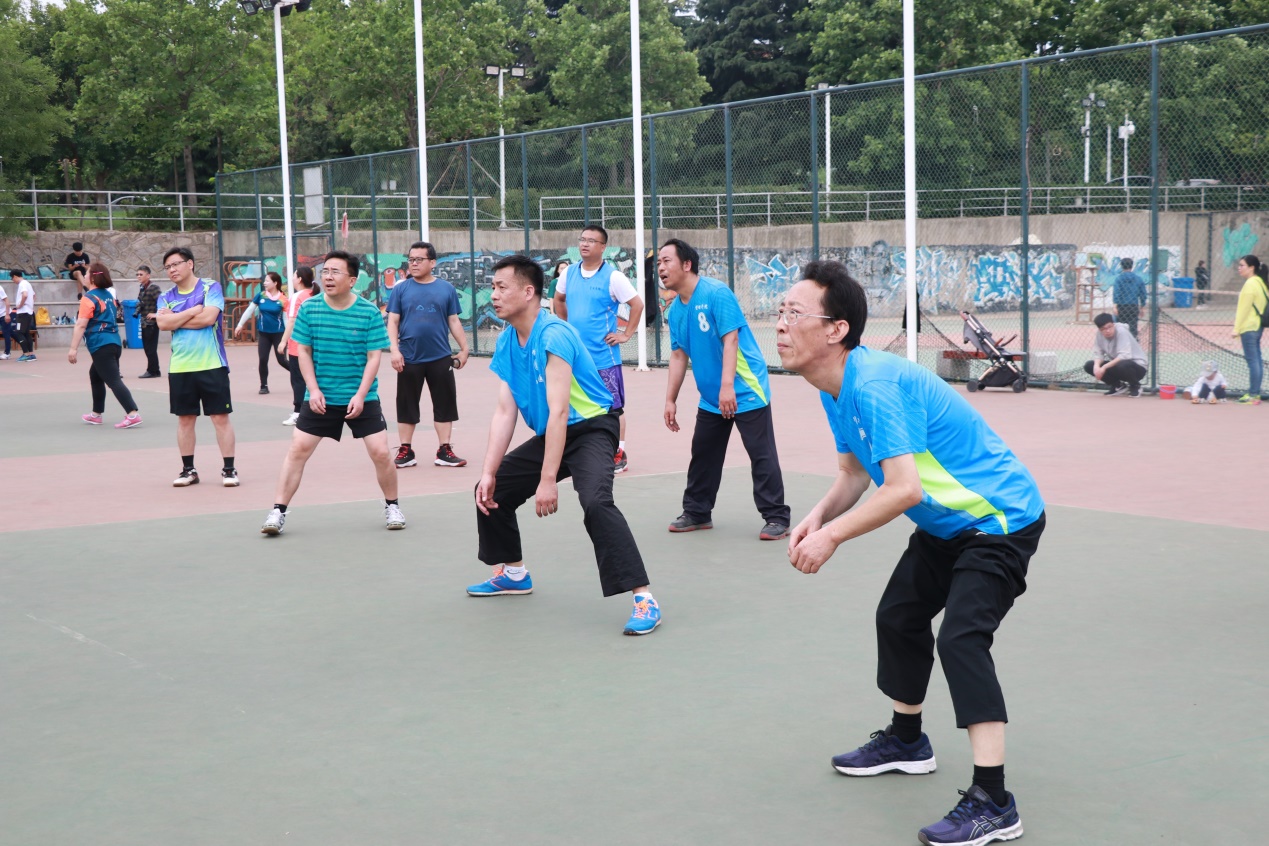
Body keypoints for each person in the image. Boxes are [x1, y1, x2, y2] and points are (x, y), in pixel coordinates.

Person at [775, 259, 1045, 846]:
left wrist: (832, 538)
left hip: (998, 520)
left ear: (836, 330)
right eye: (780, 311)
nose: (781, 324)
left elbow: (903, 490)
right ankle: (906, 740)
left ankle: (995, 802)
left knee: (962, 639)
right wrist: (819, 516)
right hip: (947, 526)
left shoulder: (874, 385)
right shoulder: (835, 386)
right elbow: (854, 472)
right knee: (898, 615)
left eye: (794, 313)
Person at [468, 255, 661, 636]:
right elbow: (505, 411)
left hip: (591, 429)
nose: (493, 295)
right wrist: (488, 472)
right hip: (555, 434)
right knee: (491, 491)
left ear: (528, 292)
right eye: (492, 287)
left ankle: (644, 599)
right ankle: (514, 573)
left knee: (596, 502)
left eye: (501, 287)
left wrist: (547, 479)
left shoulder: (554, 334)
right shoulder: (507, 339)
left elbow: (558, 411)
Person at [261, 251, 403, 535]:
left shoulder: (368, 312)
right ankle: (277, 511)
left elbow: (374, 357)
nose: (328, 276)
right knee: (298, 449)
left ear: (352, 280)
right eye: (325, 271)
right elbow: (303, 351)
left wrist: (360, 395)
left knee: (381, 452)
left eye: (335, 272)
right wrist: (313, 390)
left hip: (361, 397)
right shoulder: (310, 309)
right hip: (320, 398)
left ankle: (393, 506)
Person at [659, 238, 791, 540]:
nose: (661, 268)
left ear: (687, 264)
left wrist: (728, 387)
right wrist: (670, 400)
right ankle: (697, 512)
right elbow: (678, 355)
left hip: (745, 389)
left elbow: (731, 340)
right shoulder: (675, 311)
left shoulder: (716, 293)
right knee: (703, 453)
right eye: (660, 263)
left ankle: (776, 517)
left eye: (667, 261)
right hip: (711, 397)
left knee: (761, 453)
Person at [552, 225, 644, 473]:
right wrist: (566, 326)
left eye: (591, 240)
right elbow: (558, 299)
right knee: (574, 404)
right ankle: (580, 450)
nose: (585, 244)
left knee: (613, 408)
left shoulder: (613, 277)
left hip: (603, 357)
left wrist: (626, 334)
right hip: (574, 357)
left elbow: (637, 305)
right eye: (582, 239)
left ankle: (618, 452)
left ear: (603, 247)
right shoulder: (568, 273)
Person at [154, 247, 238, 487]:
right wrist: (192, 311)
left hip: (212, 364)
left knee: (220, 417)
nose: (172, 270)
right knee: (185, 420)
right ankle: (188, 470)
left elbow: (208, 318)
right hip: (180, 367)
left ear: (190, 263)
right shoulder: (165, 296)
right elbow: (163, 324)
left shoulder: (210, 288)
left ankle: (229, 470)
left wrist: (175, 318)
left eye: (176, 264)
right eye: (167, 267)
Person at [387, 241, 470, 469]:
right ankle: (406, 450)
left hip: (440, 357)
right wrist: (394, 350)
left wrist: (464, 349)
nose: (413, 263)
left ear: (432, 263)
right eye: (411, 259)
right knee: (406, 404)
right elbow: (393, 322)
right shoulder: (400, 289)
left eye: (419, 259)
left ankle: (444, 450)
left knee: (445, 404)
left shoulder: (446, 289)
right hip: (409, 357)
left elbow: (453, 320)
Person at [67, 264, 142, 429]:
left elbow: (81, 324)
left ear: (93, 278)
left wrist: (73, 348)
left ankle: (132, 413)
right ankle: (96, 414)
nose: (84, 276)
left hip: (101, 344)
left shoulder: (88, 298)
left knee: (113, 380)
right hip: (114, 342)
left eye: (86, 274)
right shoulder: (108, 295)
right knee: (95, 375)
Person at [233, 270, 289, 395]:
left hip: (279, 334)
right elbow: (249, 310)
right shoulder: (261, 296)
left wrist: (287, 338)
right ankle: (264, 385)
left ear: (275, 283)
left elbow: (286, 319)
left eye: (267, 281)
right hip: (264, 334)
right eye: (265, 281)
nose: (264, 283)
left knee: (282, 361)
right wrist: (240, 324)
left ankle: (300, 375)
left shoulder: (283, 299)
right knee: (263, 359)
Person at [278, 266, 316, 426]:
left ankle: (299, 412)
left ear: (299, 279)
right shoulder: (314, 295)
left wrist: (283, 341)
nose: (292, 278)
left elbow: (292, 320)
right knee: (312, 378)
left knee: (298, 380)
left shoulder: (297, 296)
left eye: (294, 276)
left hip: (298, 345)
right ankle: (312, 410)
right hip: (314, 344)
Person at [1083, 312, 1147, 397]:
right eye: (1103, 329)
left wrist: (1104, 368)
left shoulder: (1121, 331)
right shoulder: (1099, 334)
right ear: (1099, 329)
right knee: (1089, 365)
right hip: (1119, 366)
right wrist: (1096, 367)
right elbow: (1098, 353)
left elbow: (1125, 356)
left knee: (1123, 364)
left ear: (1113, 324)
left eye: (1109, 327)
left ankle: (1135, 386)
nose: (1107, 331)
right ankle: (1118, 386)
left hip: (1138, 368)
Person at [1232, 254, 1267, 405]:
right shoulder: (1260, 282)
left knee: (1253, 361)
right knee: (1256, 360)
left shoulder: (1250, 284)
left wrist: (1236, 329)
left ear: (1252, 268)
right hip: (1257, 326)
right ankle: (1255, 393)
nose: (1239, 268)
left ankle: (1253, 394)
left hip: (1249, 327)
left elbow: (1243, 309)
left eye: (1242, 265)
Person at [135, 265, 163, 378]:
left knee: (150, 348)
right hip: (145, 322)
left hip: (152, 324)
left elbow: (162, 302)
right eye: (137, 274)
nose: (138, 276)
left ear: (148, 275)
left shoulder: (153, 288)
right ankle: (155, 370)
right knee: (148, 348)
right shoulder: (142, 288)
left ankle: (152, 371)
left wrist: (156, 315)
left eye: (141, 274)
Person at [1112, 257, 1147, 338]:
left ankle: (1122, 341)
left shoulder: (1119, 279)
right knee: (1133, 326)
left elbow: (1117, 292)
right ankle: (1133, 341)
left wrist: (1115, 305)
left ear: (1122, 266)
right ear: (1132, 266)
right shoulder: (1138, 279)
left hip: (1122, 306)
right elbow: (1143, 293)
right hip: (1133, 305)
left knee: (1121, 327)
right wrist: (1142, 306)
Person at [10, 269, 36, 362]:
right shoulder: (27, 283)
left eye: (12, 278)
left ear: (15, 276)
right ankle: (31, 354)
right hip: (28, 312)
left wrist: (20, 305)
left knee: (19, 332)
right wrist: (30, 305)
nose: (13, 281)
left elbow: (25, 295)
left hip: (22, 313)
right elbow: (34, 295)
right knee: (26, 333)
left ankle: (25, 354)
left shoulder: (22, 284)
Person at [0, 280, 11, 360]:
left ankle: (7, 353)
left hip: (4, 314)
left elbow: (7, 301)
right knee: (12, 333)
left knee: (6, 333)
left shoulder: (0, 289)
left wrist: (7, 314)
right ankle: (26, 347)